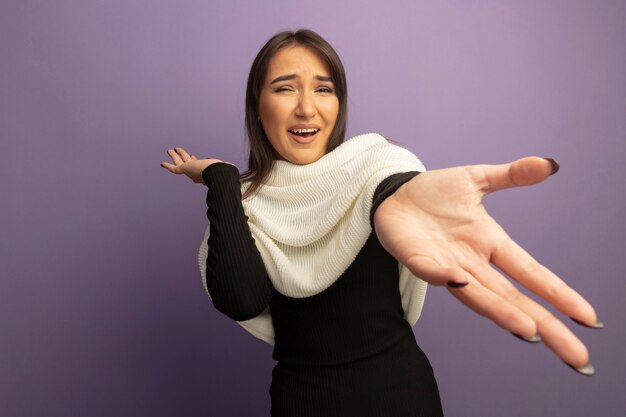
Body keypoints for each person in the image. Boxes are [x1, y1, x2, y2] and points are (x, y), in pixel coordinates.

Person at [161, 29, 602, 416]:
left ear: (339, 104)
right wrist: (221, 179)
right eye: (284, 89)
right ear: (257, 107)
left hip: (402, 398)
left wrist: (402, 191)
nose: (306, 108)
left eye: (323, 89)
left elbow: (394, 188)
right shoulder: (244, 203)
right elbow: (241, 299)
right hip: (303, 403)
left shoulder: (375, 167)